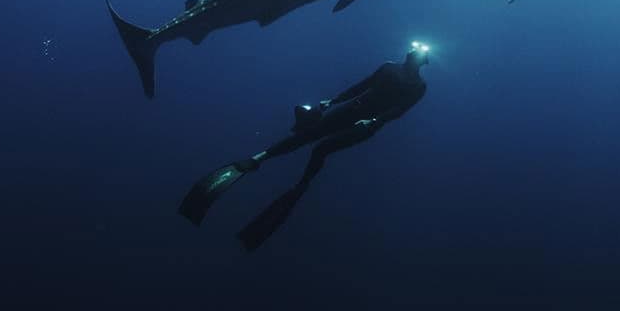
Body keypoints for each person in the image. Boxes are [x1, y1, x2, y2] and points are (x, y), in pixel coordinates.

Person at [178, 41, 432, 250]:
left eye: (421, 50)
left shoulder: (418, 87)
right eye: (414, 46)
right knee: (305, 136)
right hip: (349, 111)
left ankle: (301, 186)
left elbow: (398, 111)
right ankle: (258, 158)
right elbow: (360, 86)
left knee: (320, 149)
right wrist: (331, 101)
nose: (414, 50)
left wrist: (374, 121)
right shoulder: (388, 67)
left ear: (423, 61)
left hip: (364, 126)